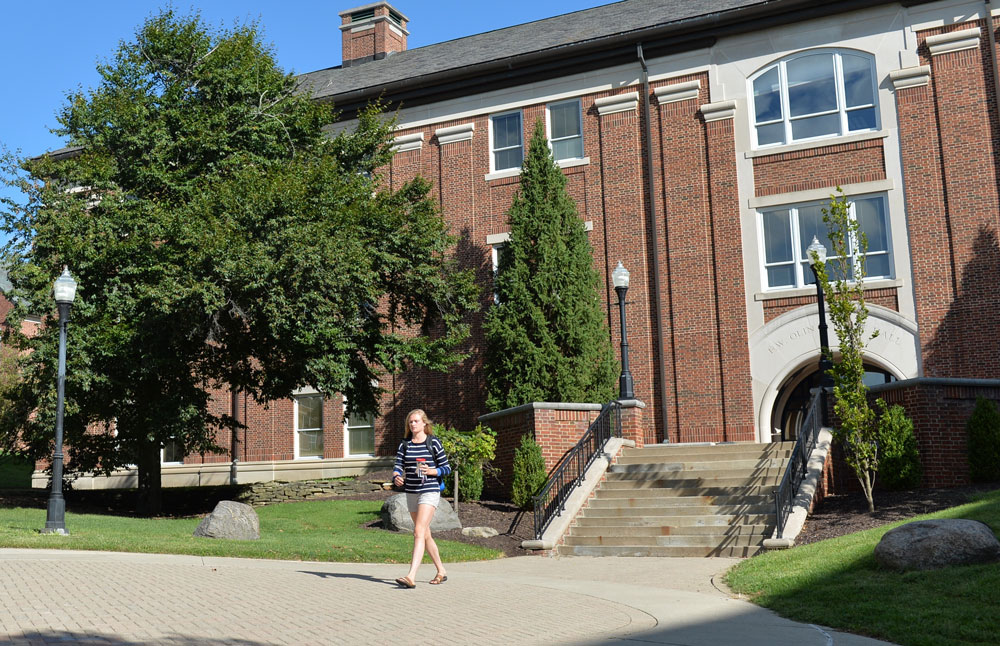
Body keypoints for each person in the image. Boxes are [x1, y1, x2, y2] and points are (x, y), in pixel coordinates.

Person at [392, 408, 451, 588]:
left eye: (416, 421)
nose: (413, 424)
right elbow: (397, 465)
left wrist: (434, 471)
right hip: (411, 491)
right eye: (411, 422)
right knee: (425, 533)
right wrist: (396, 476)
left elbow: (446, 467)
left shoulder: (433, 443)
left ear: (424, 423)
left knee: (418, 530)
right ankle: (441, 570)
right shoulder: (405, 445)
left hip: (430, 490)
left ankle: (411, 576)